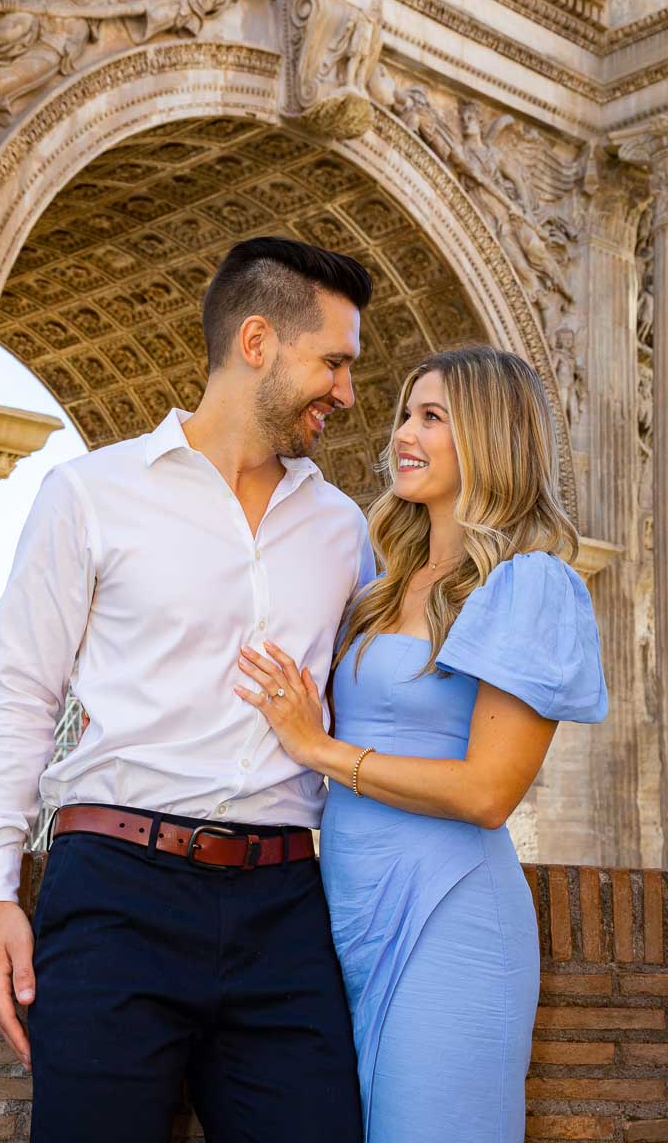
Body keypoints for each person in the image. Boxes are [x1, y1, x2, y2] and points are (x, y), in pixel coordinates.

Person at [0, 237, 376, 1143]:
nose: (347, 392)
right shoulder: (90, 495)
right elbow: (19, 691)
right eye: (334, 362)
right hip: (115, 896)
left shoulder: (344, 529)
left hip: (287, 908)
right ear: (257, 342)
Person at [234, 345, 608, 1143]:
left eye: (432, 417)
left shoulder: (525, 582)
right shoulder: (377, 582)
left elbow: (486, 792)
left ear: (490, 436)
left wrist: (322, 752)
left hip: (450, 913)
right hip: (345, 913)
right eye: (407, 413)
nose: (403, 432)